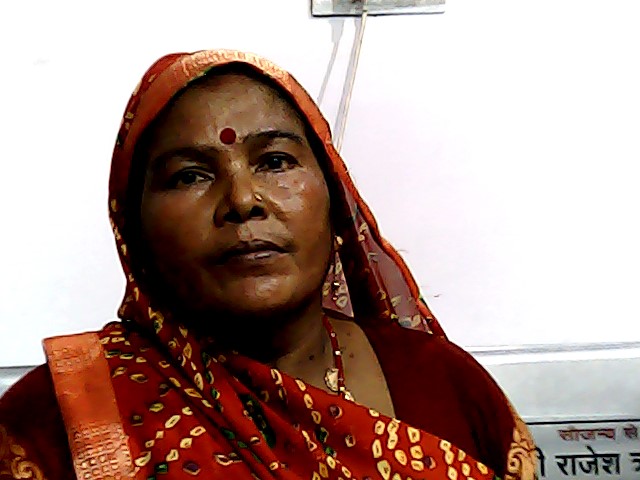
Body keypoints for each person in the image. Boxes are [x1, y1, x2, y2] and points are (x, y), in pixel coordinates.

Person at [0, 49, 537, 480]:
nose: (243, 201)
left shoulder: (446, 384)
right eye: (190, 175)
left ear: (335, 203)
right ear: (132, 229)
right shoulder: (54, 422)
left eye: (275, 162)